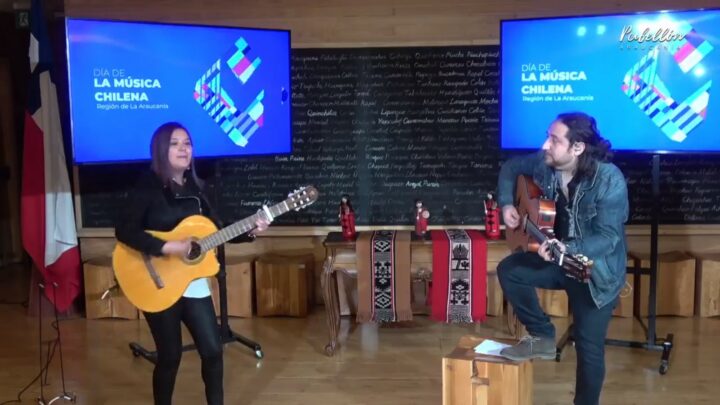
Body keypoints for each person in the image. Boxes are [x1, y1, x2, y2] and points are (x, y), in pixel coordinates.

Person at [115, 122, 270, 405]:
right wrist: (168, 247)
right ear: (161, 149)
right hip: (156, 281)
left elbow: (217, 232)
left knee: (213, 351)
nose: (183, 149)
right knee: (170, 356)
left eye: (187, 143)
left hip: (193, 282)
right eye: (175, 143)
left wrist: (251, 230)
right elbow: (125, 230)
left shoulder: (199, 190)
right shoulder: (147, 185)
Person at [496, 112, 628, 405]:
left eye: (554, 140)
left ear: (577, 147)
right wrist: (506, 205)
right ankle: (542, 335)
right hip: (557, 259)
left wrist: (567, 247)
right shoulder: (546, 164)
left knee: (588, 349)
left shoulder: (609, 179)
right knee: (509, 270)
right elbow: (510, 167)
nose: (545, 145)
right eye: (547, 136)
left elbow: (609, 238)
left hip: (595, 275)